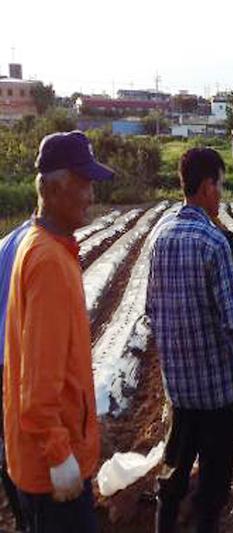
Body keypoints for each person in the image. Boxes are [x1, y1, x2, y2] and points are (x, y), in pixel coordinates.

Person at [147, 148, 233, 533]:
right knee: (213, 490)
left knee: (173, 479)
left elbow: (151, 311)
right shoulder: (213, 243)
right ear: (205, 187)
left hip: (180, 391)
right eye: (220, 185)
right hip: (218, 393)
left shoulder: (161, 238)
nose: (222, 193)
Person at [4, 131, 115, 533]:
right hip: (50, 470)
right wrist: (58, 453)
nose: (91, 194)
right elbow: (37, 379)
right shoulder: (48, 260)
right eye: (82, 182)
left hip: (47, 458)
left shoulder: (45, 246)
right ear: (51, 188)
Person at [0, 220, 31, 531]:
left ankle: (22, 520)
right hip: (18, 358)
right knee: (26, 440)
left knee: (7, 439)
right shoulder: (37, 247)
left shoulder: (6, 243)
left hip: (2, 357)